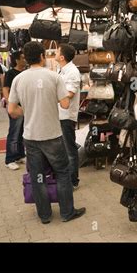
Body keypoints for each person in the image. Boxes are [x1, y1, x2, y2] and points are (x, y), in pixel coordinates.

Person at [8, 42, 85, 224]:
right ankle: (67, 212)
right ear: (42, 56)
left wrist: (28, 112)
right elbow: (65, 104)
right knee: (62, 173)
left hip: (30, 136)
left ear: (26, 58)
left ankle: (44, 215)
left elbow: (11, 110)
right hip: (52, 134)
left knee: (38, 176)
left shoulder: (18, 79)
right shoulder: (54, 77)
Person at [55, 44, 81, 189]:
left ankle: (73, 181)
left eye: (57, 51)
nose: (55, 53)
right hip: (60, 114)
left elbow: (69, 94)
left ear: (62, 57)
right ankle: (67, 178)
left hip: (67, 116)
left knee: (70, 149)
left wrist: (52, 97)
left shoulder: (72, 71)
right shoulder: (62, 70)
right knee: (63, 149)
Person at [2, 51, 27, 170]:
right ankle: (10, 159)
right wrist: (9, 103)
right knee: (14, 132)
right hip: (16, 107)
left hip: (26, 107)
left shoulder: (27, 72)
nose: (25, 59)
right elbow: (5, 89)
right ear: (17, 60)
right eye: (22, 58)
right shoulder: (10, 73)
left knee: (22, 132)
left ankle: (20, 155)